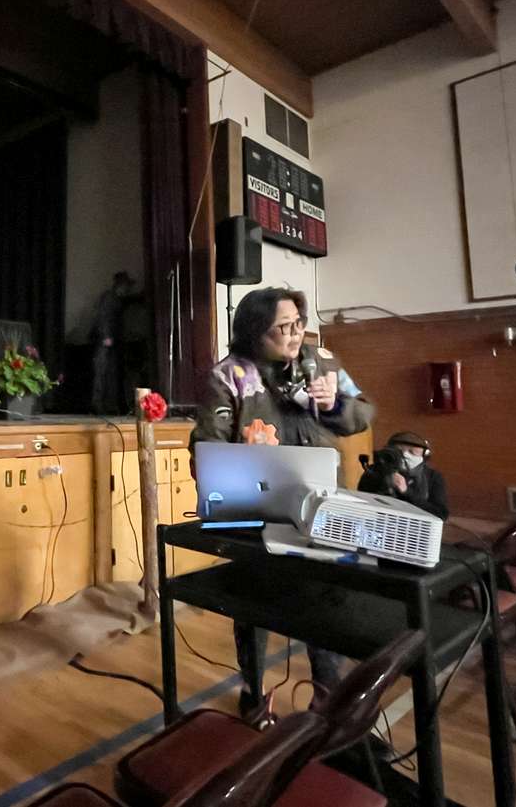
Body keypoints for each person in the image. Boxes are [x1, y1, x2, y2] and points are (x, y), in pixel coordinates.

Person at [192, 286, 375, 716]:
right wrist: (240, 459)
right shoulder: (230, 376)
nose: (295, 334)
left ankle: (329, 702)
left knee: (328, 602)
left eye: (299, 324)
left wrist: (336, 405)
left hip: (325, 508)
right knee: (254, 605)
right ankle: (254, 696)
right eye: (283, 327)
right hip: (257, 514)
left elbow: (364, 412)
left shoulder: (323, 363)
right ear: (255, 331)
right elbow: (206, 446)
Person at [358, 431, 447, 520]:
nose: (405, 455)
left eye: (412, 452)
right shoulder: (374, 470)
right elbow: (361, 503)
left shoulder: (433, 477)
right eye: (399, 451)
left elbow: (441, 514)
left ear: (424, 456)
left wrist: (406, 491)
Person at [91, 270, 135, 415]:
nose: (127, 289)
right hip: (105, 343)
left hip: (113, 343)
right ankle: (98, 406)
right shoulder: (109, 297)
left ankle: (109, 406)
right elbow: (102, 316)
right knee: (102, 374)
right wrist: (106, 336)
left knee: (111, 375)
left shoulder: (117, 299)